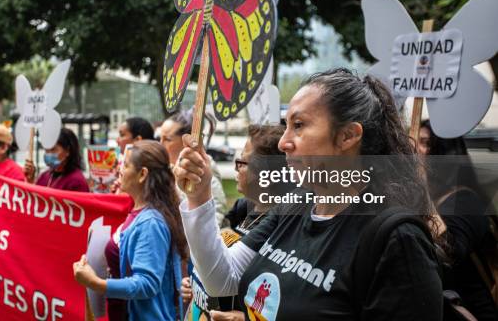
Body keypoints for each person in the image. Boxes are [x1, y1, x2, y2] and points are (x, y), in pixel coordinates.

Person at [175, 68, 443, 320]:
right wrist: (199, 197)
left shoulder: (396, 239)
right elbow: (223, 279)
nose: (284, 143)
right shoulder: (295, 205)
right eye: (287, 126)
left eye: (299, 125)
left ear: (347, 136)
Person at [181, 124, 286, 321]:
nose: (236, 168)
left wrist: (247, 317)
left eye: (242, 162)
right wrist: (195, 279)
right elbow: (213, 251)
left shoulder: (280, 228)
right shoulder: (243, 209)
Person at [73, 140, 187, 321]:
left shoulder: (151, 223)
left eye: (125, 165)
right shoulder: (140, 212)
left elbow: (147, 284)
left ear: (142, 174)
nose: (119, 170)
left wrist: (95, 283)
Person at [418, 120, 497, 321]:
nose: (417, 150)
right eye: (415, 142)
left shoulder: (466, 200)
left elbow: (448, 253)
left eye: (426, 143)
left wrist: (419, 190)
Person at [160, 109, 227, 226]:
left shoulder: (202, 170)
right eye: (160, 138)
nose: (160, 144)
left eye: (167, 139)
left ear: (187, 140)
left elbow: (215, 218)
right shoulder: (168, 169)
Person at [24, 128, 89, 192]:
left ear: (68, 151)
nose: (48, 154)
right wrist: (30, 181)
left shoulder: (77, 182)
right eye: (46, 150)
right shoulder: (44, 176)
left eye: (53, 150)